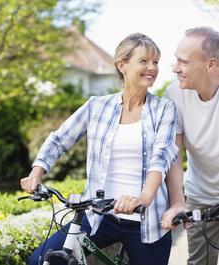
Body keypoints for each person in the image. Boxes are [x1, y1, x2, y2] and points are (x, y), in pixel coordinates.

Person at [20, 33, 178, 265]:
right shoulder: (96, 106)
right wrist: (36, 172)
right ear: (122, 65)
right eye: (144, 61)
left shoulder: (164, 109)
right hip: (99, 216)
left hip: (148, 220)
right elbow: (59, 139)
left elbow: (160, 157)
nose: (152, 68)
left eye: (155, 62)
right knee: (41, 260)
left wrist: (143, 198)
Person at [162, 26, 219, 265]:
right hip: (200, 197)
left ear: (211, 64)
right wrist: (178, 202)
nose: (175, 68)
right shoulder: (175, 94)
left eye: (183, 62)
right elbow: (174, 154)